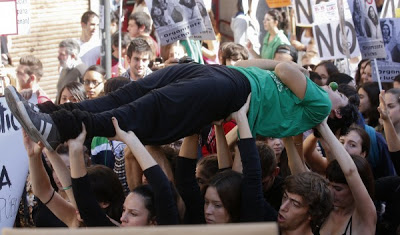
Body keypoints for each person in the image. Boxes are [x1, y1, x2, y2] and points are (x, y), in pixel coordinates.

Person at [7, 60, 336, 152]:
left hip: (233, 87)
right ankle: (50, 116)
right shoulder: (300, 109)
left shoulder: (319, 107)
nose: (332, 88)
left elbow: (283, 68)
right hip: (224, 77)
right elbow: (254, 64)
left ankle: (60, 129)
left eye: (341, 94)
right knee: (130, 93)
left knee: (148, 105)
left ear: (337, 111)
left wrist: (299, 72)